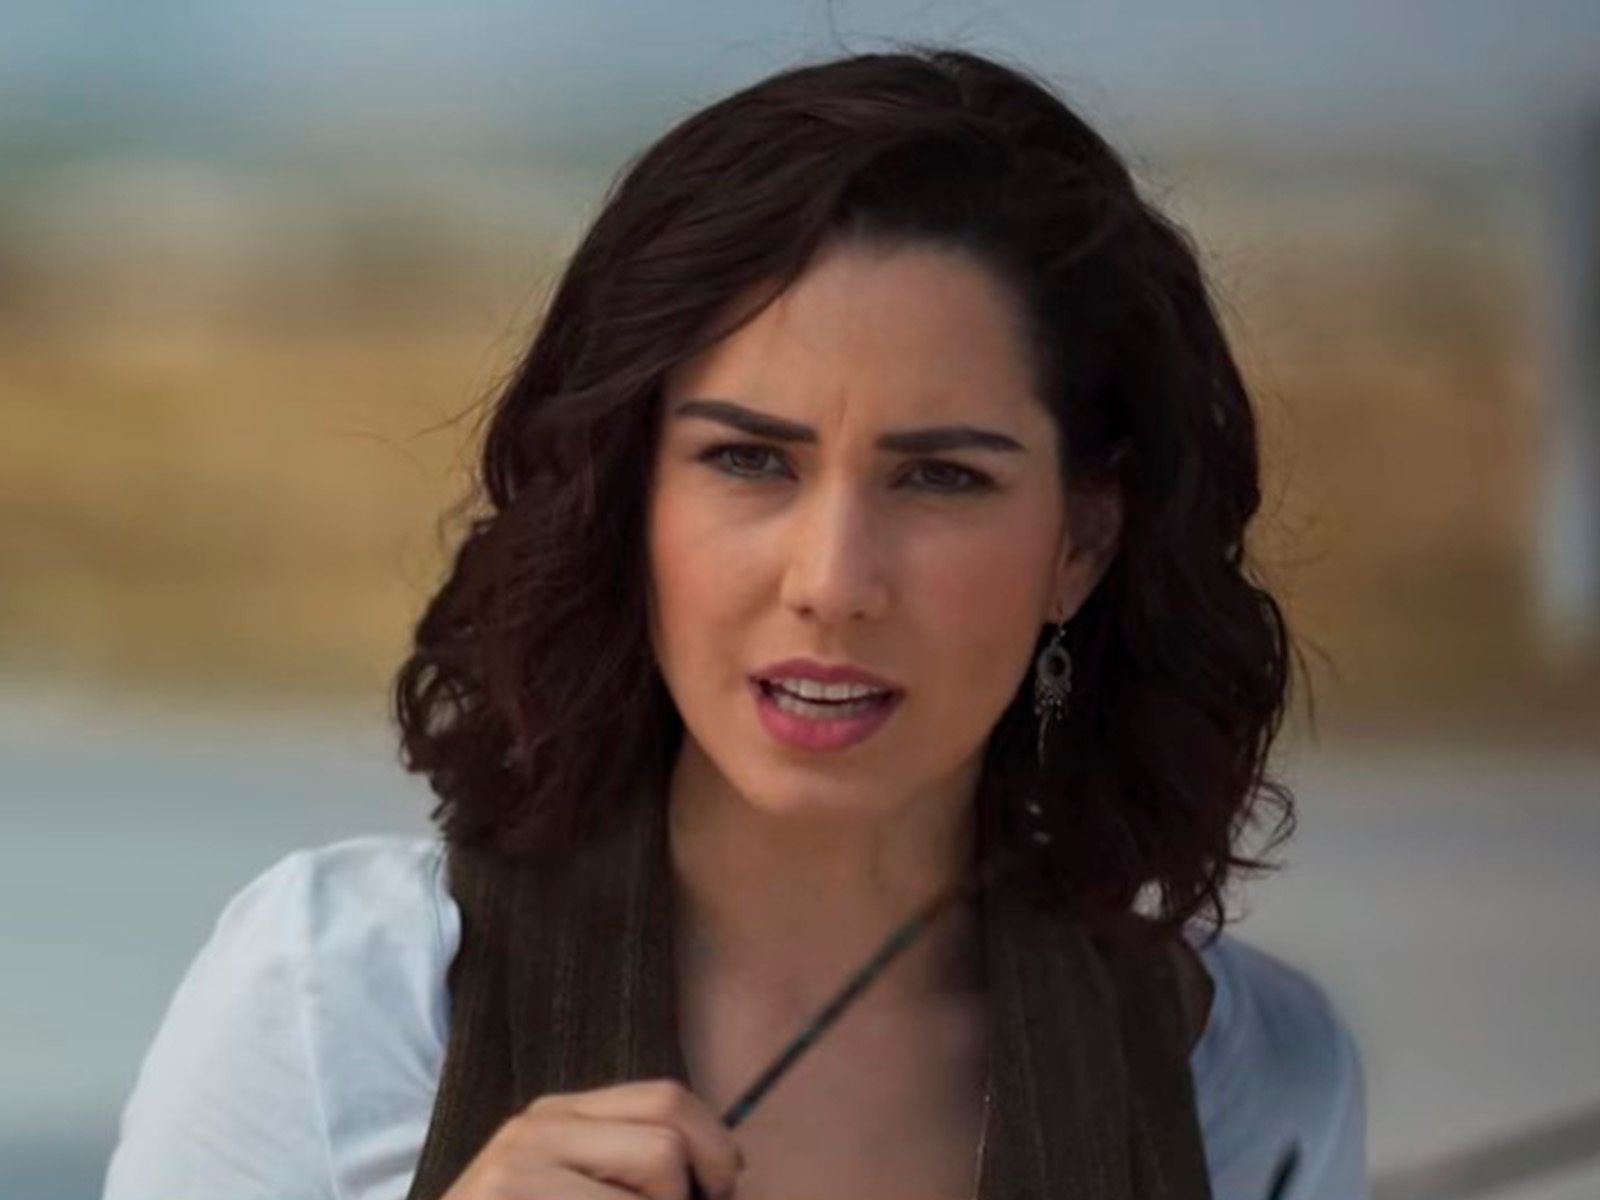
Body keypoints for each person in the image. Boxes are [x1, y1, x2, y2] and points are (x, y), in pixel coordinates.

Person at [103, 44, 1368, 1200]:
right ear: (627, 494)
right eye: (749, 460)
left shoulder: (1242, 1078)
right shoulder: (344, 1001)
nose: (832, 579)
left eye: (941, 477)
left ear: (1079, 545)